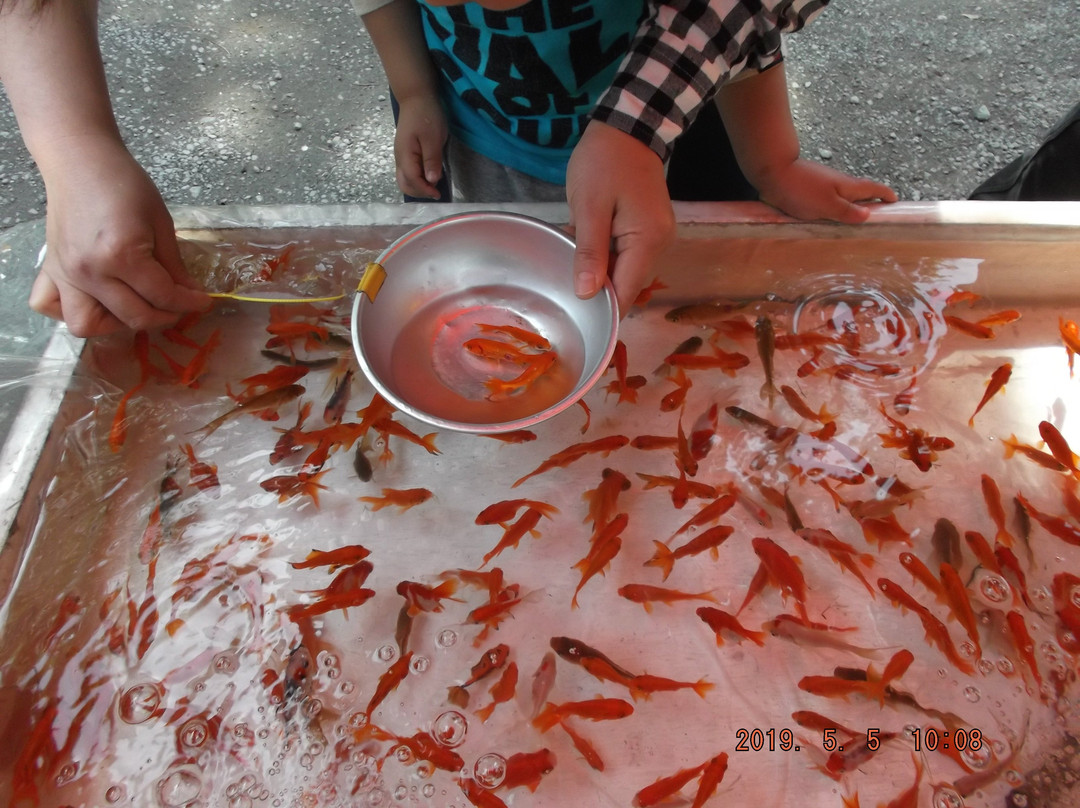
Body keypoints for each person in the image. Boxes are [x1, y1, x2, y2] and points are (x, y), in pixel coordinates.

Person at [357, 0, 897, 312]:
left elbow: (735, 27)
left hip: (677, 134)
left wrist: (773, 164)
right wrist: (413, 91)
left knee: (670, 277)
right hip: (484, 136)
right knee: (499, 270)